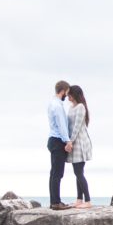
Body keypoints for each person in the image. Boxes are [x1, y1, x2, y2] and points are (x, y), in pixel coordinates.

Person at [47, 80, 73, 210]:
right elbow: (61, 125)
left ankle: (54, 201)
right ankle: (56, 202)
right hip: (58, 140)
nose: (66, 96)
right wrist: (67, 141)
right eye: (66, 93)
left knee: (54, 173)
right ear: (62, 91)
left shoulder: (52, 103)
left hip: (53, 139)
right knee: (57, 173)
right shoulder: (57, 106)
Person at [66, 84, 93, 208]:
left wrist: (70, 141)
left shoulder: (81, 107)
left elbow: (76, 126)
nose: (67, 96)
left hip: (80, 142)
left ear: (74, 94)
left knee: (78, 172)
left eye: (69, 93)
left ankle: (87, 200)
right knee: (78, 172)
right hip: (74, 142)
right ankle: (79, 199)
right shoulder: (71, 107)